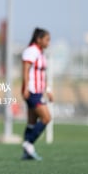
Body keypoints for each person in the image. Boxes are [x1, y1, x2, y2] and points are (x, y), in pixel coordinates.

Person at [21, 28, 53, 160]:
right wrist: (26, 88)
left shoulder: (41, 53)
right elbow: (25, 70)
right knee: (46, 118)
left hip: (39, 92)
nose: (48, 42)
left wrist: (48, 90)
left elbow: (42, 74)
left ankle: (27, 151)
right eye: (47, 39)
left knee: (32, 122)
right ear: (38, 39)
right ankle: (28, 143)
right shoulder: (31, 51)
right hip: (32, 91)